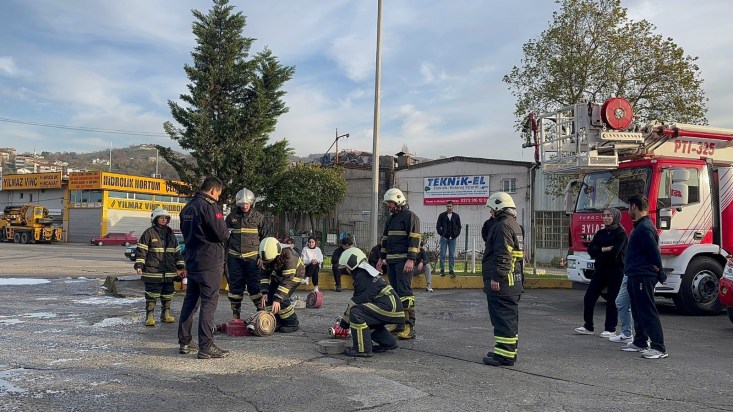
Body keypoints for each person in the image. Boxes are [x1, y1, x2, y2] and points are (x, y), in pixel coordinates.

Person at [177, 176, 230, 359]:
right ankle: (206, 345)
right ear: (214, 191)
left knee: (190, 302)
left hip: (193, 261)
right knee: (209, 303)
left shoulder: (187, 207)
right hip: (210, 262)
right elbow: (223, 234)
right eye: (219, 194)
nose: (218, 197)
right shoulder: (209, 206)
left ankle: (184, 341)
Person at [622, 194, 668, 359]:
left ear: (634, 206)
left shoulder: (644, 228)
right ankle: (640, 341)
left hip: (643, 276)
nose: (628, 211)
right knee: (637, 309)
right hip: (635, 274)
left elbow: (654, 252)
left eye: (628, 207)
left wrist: (660, 274)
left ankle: (659, 347)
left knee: (647, 310)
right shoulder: (640, 226)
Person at [337, 248, 405, 357]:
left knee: (356, 313)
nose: (347, 271)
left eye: (347, 268)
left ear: (352, 262)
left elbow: (357, 301)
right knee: (367, 316)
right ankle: (388, 343)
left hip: (388, 306)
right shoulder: (367, 272)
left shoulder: (362, 275)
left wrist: (344, 323)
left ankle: (362, 349)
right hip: (392, 306)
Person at [482, 192, 524, 367]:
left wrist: (496, 278)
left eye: (492, 209)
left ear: (499, 208)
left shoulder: (502, 226)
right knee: (508, 319)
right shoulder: (514, 224)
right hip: (513, 281)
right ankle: (505, 351)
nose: (491, 213)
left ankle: (504, 356)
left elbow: (503, 255)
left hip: (504, 283)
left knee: (502, 319)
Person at [574, 208, 628, 337]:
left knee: (612, 299)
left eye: (609, 215)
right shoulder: (600, 233)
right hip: (600, 269)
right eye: (604, 215)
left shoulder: (621, 233)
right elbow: (591, 250)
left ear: (615, 217)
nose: (606, 218)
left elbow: (615, 252)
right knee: (589, 296)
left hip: (616, 269)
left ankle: (610, 328)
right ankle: (588, 326)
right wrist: (604, 249)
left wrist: (600, 251)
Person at [376, 187, 420, 340]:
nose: (389, 205)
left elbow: (414, 239)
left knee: (405, 294)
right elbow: (385, 240)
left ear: (399, 201)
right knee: (395, 294)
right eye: (388, 203)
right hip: (392, 261)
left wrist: (411, 259)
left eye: (391, 202)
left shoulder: (410, 217)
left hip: (404, 261)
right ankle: (399, 324)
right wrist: (381, 258)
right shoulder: (391, 219)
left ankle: (409, 327)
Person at [134, 207, 185, 327]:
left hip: (169, 272)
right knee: (151, 294)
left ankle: (165, 314)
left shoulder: (170, 234)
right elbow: (141, 251)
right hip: (152, 271)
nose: (163, 220)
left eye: (166, 218)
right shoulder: (149, 233)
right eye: (161, 217)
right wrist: (139, 265)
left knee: (168, 294)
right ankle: (150, 316)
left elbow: (177, 252)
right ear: (155, 219)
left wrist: (180, 267)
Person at [225, 188, 270, 320]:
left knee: (255, 286)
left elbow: (266, 239)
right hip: (234, 259)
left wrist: (263, 257)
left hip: (253, 259)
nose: (245, 206)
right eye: (242, 203)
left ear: (251, 203)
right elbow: (225, 238)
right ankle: (235, 314)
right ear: (238, 203)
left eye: (247, 203)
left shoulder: (259, 218)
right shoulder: (231, 217)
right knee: (235, 287)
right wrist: (224, 258)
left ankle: (261, 312)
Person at [258, 237, 303, 333]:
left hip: (294, 276)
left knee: (282, 299)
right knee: (269, 297)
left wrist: (278, 299)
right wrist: (265, 292)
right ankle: (276, 321)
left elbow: (287, 281)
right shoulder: (268, 254)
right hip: (279, 275)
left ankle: (292, 323)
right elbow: (264, 274)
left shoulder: (290, 257)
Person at [436, 201, 461, 277]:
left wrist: (456, 234)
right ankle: (442, 270)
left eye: (450, 206)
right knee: (442, 254)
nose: (449, 208)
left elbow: (459, 226)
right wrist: (441, 233)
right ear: (446, 207)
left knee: (452, 255)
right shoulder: (442, 215)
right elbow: (438, 226)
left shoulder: (456, 216)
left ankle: (451, 270)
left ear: (453, 207)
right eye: (447, 206)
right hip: (444, 237)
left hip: (453, 238)